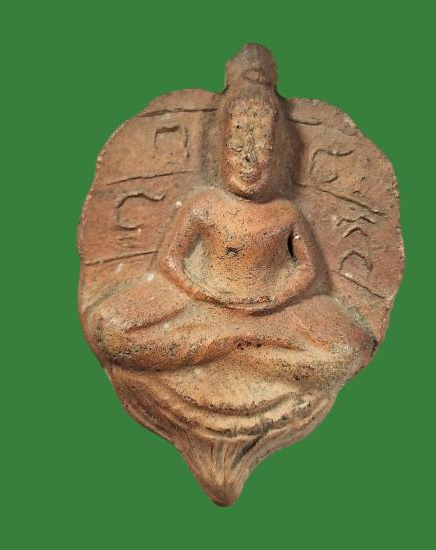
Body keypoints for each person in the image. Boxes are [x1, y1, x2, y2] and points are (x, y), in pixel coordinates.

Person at [87, 48, 374, 383]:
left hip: (269, 311)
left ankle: (230, 348)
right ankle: (245, 349)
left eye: (263, 150)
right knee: (109, 327)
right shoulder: (204, 205)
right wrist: (201, 293)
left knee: (354, 345)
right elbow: (169, 262)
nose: (249, 163)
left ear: (280, 154)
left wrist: (275, 298)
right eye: (237, 149)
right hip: (199, 303)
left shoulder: (285, 213)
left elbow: (308, 269)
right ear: (219, 148)